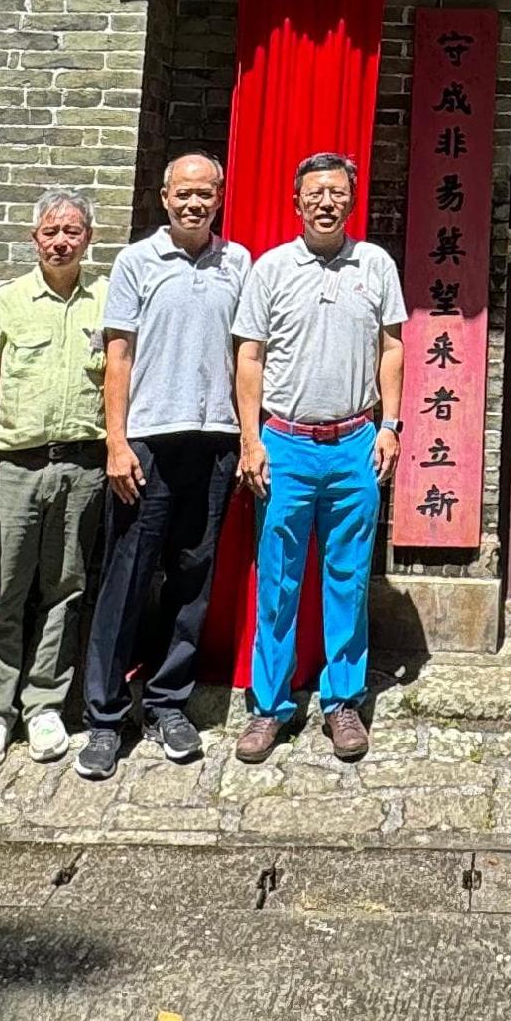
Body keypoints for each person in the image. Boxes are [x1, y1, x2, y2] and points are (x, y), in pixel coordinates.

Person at [230, 153, 406, 764]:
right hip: (284, 444)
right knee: (277, 579)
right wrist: (250, 439)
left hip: (356, 442)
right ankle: (269, 707)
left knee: (349, 577)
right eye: (315, 194)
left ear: (351, 202)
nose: (326, 202)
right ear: (297, 203)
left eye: (337, 193)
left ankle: (342, 701)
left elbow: (392, 350)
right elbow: (248, 357)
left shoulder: (376, 264)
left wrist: (390, 426)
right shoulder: (271, 268)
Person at [83, 152, 249, 776]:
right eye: (183, 193)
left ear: (220, 197)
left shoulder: (239, 263)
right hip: (147, 441)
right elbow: (117, 357)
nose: (193, 203)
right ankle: (103, 716)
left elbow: (247, 354)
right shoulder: (136, 262)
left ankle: (167, 702)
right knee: (127, 576)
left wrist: (245, 439)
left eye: (205, 193)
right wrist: (117, 442)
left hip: (214, 441)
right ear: (163, 196)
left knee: (191, 577)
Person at [0, 190, 114, 768]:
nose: (61, 241)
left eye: (72, 231)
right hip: (15, 466)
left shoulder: (106, 300)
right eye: (51, 231)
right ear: (34, 238)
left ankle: (44, 703)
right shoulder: (5, 303)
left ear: (88, 239)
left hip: (83, 465)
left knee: (65, 588)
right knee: (3, 591)